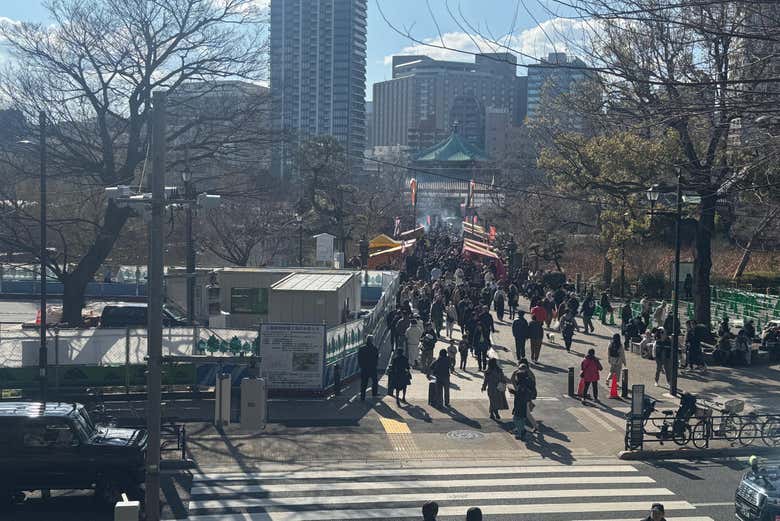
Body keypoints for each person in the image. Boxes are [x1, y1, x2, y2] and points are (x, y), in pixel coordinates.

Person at [511, 363, 536, 440]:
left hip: (520, 404)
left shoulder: (521, 386)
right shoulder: (527, 381)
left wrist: (513, 392)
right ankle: (521, 431)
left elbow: (520, 395)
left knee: (516, 419)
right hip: (524, 402)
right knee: (522, 418)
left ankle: (521, 431)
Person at [357, 335, 379, 401]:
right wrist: (375, 365)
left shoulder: (361, 348)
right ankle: (374, 394)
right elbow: (376, 358)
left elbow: (359, 358)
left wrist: (361, 366)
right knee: (375, 381)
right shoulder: (374, 348)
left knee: (364, 383)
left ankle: (362, 396)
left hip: (364, 368)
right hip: (372, 368)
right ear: (372, 340)